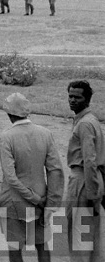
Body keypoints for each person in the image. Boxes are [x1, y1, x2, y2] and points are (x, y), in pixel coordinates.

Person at [0, 93, 64, 262]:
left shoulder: (6, 137)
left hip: (14, 201)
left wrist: (33, 198)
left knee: (15, 248)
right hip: (41, 198)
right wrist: (49, 202)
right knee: (42, 245)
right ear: (27, 112)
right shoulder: (45, 133)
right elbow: (55, 170)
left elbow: (11, 178)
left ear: (9, 115)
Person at [65, 80, 104, 261]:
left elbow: (89, 160)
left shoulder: (85, 124)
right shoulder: (90, 120)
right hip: (91, 179)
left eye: (77, 97)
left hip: (83, 181)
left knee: (79, 235)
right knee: (90, 235)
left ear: (86, 99)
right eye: (70, 96)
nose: (72, 100)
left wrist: (92, 194)